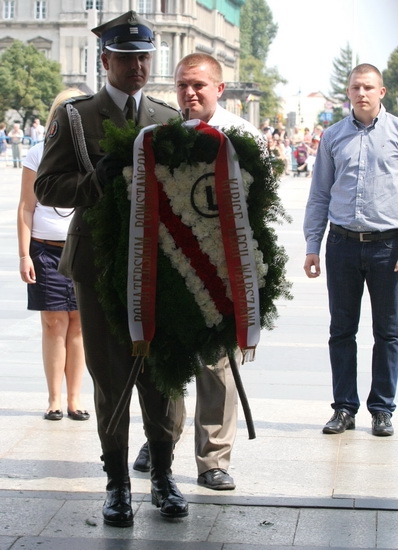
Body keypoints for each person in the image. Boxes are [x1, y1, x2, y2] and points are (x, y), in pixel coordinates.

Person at [34, 11, 188, 527]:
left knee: (163, 373)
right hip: (98, 263)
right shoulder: (77, 117)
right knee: (109, 373)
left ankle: (163, 475)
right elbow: (47, 188)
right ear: (106, 61)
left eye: (144, 56)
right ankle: (117, 482)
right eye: (126, 58)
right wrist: (93, 182)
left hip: (160, 268)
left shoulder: (167, 120)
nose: (138, 66)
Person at [133, 53, 264, 491]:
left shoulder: (242, 138)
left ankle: (213, 460)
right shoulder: (162, 136)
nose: (189, 93)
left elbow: (259, 214)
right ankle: (160, 439)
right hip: (170, 266)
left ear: (219, 88)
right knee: (166, 363)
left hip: (220, 273)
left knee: (215, 365)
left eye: (199, 86)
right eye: (182, 85)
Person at [303, 63, 398, 437]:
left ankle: (382, 408)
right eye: (356, 87)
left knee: (388, 333)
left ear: (382, 92)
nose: (362, 93)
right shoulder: (333, 137)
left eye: (368, 87)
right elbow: (320, 194)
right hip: (342, 245)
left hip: (387, 248)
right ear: (348, 92)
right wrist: (313, 244)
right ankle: (343, 407)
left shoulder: (395, 133)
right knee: (341, 330)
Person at [17, 88, 89, 423]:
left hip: (82, 249)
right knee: (53, 323)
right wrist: (24, 254)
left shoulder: (90, 153)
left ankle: (75, 398)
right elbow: (26, 207)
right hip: (45, 250)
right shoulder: (37, 153)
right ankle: (54, 399)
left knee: (78, 326)